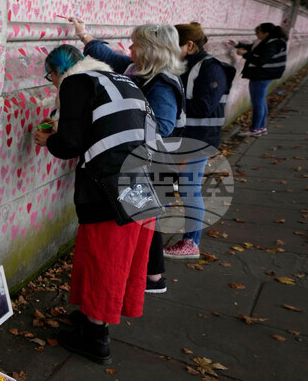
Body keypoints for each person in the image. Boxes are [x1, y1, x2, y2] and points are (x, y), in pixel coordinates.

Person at [34, 44, 156, 363]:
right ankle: (92, 318)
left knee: (105, 258)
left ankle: (96, 337)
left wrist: (49, 139)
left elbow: (70, 144)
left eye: (50, 77)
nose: (53, 84)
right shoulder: (118, 78)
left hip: (110, 184)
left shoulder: (75, 82)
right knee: (120, 256)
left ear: (58, 71)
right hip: (144, 176)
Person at [69, 18, 185, 296]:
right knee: (143, 217)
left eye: (135, 44)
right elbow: (108, 56)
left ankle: (153, 278)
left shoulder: (161, 84)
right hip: (142, 161)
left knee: (144, 219)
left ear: (150, 49)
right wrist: (84, 35)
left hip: (151, 163)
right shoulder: (138, 70)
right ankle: (150, 275)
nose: (129, 48)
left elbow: (163, 125)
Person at [163, 23, 237, 260]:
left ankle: (191, 242)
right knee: (170, 184)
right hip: (183, 138)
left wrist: (168, 100)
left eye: (172, 46)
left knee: (189, 189)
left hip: (198, 140)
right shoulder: (187, 64)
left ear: (189, 45)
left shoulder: (210, 68)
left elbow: (204, 107)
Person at [233, 22, 288, 136]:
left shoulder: (272, 44)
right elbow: (254, 48)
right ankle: (261, 127)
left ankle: (255, 129)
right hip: (266, 75)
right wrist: (238, 44)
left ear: (266, 33)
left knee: (257, 102)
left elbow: (261, 60)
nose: (256, 34)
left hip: (262, 75)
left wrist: (244, 54)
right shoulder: (270, 41)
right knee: (261, 101)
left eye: (258, 32)